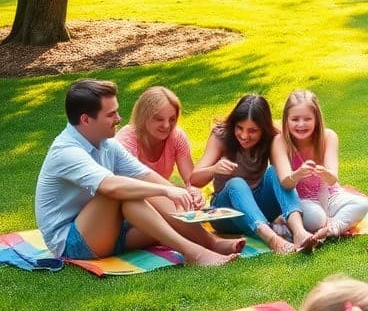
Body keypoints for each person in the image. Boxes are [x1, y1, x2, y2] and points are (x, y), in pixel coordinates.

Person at [34, 80, 240, 266]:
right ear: (86, 120)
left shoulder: (107, 145)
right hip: (73, 243)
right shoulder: (66, 151)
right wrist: (166, 191)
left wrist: (181, 195)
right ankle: (193, 253)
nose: (118, 118)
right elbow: (111, 187)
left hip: (111, 232)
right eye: (111, 114)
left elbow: (143, 174)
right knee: (121, 193)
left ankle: (210, 242)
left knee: (150, 197)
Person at [191, 94, 325, 254]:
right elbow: (194, 179)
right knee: (237, 183)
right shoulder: (221, 136)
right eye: (239, 128)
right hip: (226, 212)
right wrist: (214, 169)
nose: (244, 135)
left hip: (259, 207)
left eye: (252, 131)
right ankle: (272, 239)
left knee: (275, 173)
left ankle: (299, 233)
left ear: (263, 129)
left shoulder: (272, 138)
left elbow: (283, 179)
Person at [271, 90, 368, 238]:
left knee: (362, 205)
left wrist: (324, 173)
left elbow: (332, 180)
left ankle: (329, 230)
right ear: (286, 120)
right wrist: (297, 174)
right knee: (316, 219)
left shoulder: (328, 136)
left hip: (330, 196)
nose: (301, 124)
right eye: (295, 119)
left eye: (307, 119)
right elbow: (285, 183)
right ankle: (295, 223)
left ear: (316, 119)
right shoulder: (280, 141)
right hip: (302, 201)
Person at [115, 86, 204, 205]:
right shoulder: (126, 140)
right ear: (143, 117)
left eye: (172, 119)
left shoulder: (176, 136)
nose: (167, 125)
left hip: (161, 198)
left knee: (183, 202)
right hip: (129, 203)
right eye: (159, 119)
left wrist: (194, 192)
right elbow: (133, 185)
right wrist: (171, 192)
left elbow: (190, 181)